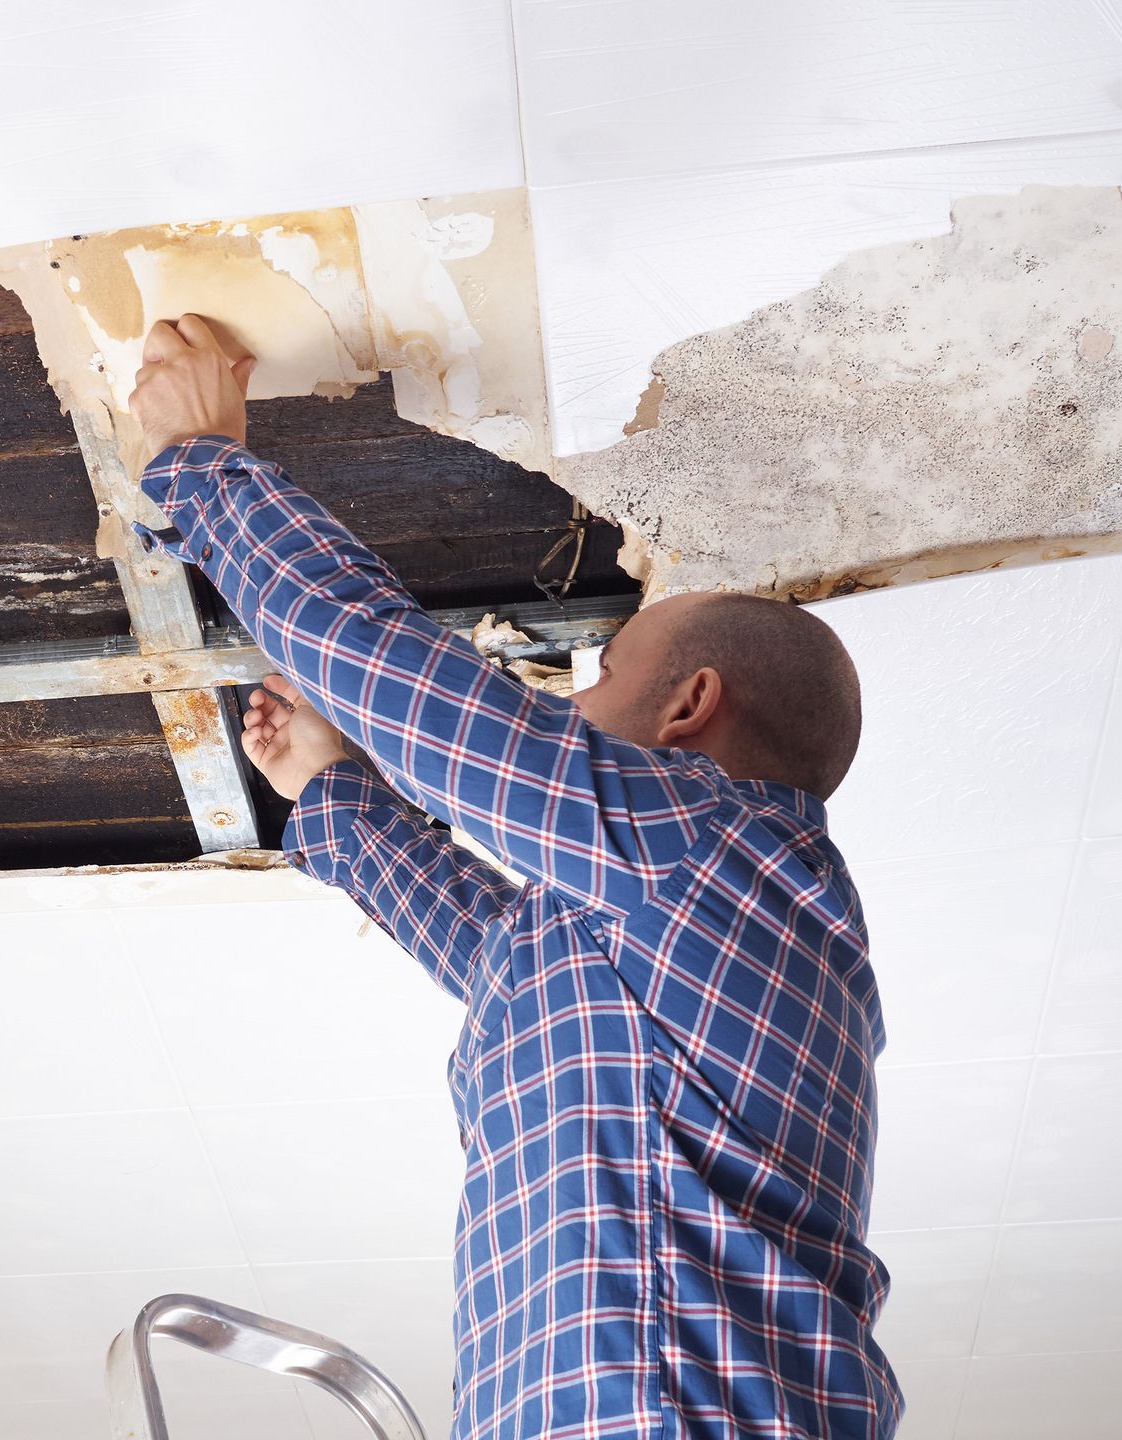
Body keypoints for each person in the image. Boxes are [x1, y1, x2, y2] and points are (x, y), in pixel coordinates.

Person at [127, 315, 901, 1440]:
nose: (567, 706)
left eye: (597, 676)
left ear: (688, 707)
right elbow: (505, 948)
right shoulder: (708, 882)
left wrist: (203, 461)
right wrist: (340, 793)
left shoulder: (712, 853)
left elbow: (414, 696)